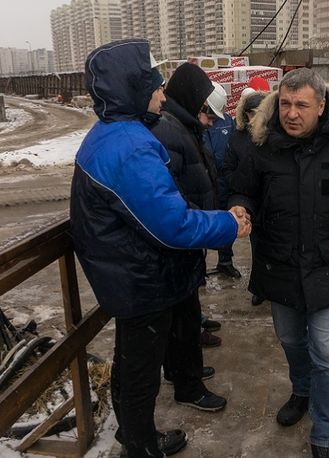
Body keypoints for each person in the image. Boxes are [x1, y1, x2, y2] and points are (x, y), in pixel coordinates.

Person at [69, 39, 250, 458]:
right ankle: (142, 448)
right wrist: (228, 224)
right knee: (140, 374)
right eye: (154, 88)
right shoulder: (130, 147)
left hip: (128, 272)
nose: (162, 96)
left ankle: (135, 438)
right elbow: (171, 225)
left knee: (133, 363)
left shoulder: (113, 133)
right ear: (133, 89)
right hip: (139, 278)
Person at [229, 68, 329, 458]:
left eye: (301, 105)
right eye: (285, 104)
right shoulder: (263, 145)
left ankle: (325, 432)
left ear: (321, 105)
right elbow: (242, 189)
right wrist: (240, 206)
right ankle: (301, 389)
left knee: (327, 354)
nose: (291, 113)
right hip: (279, 264)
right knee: (291, 339)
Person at [150, 62, 229, 412]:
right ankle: (189, 385)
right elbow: (175, 194)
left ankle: (179, 371)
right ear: (193, 100)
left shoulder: (181, 126)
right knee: (183, 318)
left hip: (186, 239)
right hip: (179, 242)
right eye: (207, 113)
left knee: (182, 314)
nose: (210, 121)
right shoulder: (170, 130)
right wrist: (210, 222)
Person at [223, 91, 267, 306]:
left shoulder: (273, 136)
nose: (255, 118)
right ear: (245, 114)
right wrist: (239, 183)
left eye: (260, 113)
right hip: (249, 200)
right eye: (252, 113)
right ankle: (259, 287)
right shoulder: (237, 139)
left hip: (274, 199)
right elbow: (227, 168)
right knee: (257, 247)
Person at [203, 82, 243, 280]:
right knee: (206, 224)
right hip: (210, 182)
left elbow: (234, 146)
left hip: (226, 181)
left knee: (228, 221)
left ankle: (225, 261)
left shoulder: (227, 121)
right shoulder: (202, 123)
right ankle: (199, 267)